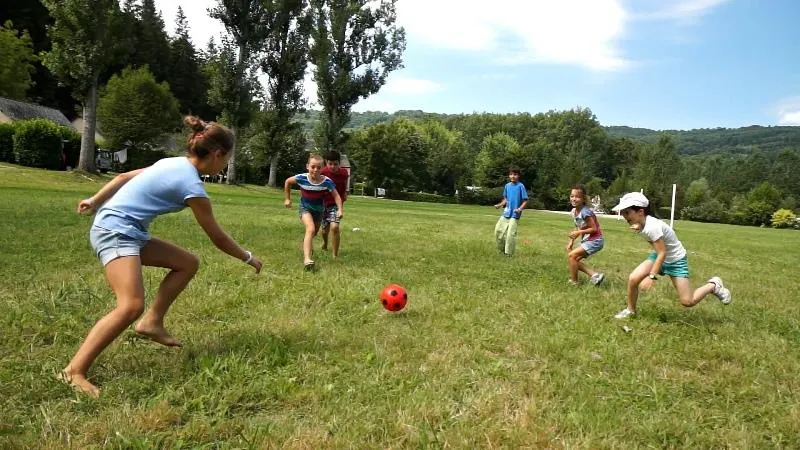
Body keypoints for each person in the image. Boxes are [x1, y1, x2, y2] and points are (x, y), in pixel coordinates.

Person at [62, 116, 263, 397]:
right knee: (130, 306)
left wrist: (95, 200)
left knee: (187, 263)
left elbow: (122, 177)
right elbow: (217, 237)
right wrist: (248, 257)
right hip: (115, 231)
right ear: (218, 154)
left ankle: (152, 322)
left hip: (127, 230)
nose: (225, 165)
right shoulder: (192, 187)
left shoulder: (173, 162)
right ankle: (73, 371)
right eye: (227, 159)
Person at [611, 192, 731, 319]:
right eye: (623, 212)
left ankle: (713, 285)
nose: (624, 216)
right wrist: (640, 227)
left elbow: (662, 253)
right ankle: (630, 310)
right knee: (633, 279)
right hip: (659, 256)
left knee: (687, 301)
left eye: (627, 212)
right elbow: (659, 250)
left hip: (675, 260)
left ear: (641, 211)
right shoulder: (643, 223)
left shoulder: (652, 227)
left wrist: (651, 276)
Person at [284, 154, 343, 270]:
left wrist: (340, 209)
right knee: (310, 229)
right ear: (307, 166)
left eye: (319, 167)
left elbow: (336, 196)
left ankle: (308, 248)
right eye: (313, 167)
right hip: (305, 208)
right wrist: (287, 199)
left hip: (319, 211)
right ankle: (307, 259)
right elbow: (288, 182)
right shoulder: (302, 178)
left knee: (313, 233)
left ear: (322, 168)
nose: (315, 170)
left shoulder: (326, 182)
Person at [566, 185, 605, 285]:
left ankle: (574, 282)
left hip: (595, 240)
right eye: (572, 196)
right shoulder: (574, 211)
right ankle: (595, 276)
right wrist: (571, 241)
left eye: (577, 197)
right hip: (589, 240)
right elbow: (578, 227)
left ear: (583, 199)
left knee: (572, 256)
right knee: (573, 260)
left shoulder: (585, 212)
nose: (574, 199)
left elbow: (594, 229)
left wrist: (579, 232)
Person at [320, 150, 349, 258]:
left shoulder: (344, 173)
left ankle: (334, 256)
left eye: (335, 164)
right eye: (330, 164)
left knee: (335, 227)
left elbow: (345, 183)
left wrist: (345, 192)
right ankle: (325, 243)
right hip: (323, 203)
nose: (333, 166)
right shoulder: (322, 172)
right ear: (326, 163)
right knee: (324, 230)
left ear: (339, 163)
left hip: (336, 203)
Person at [493, 167, 528, 256]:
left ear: (518, 176)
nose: (513, 176)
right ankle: (502, 250)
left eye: (515, 174)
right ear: (509, 176)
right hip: (506, 212)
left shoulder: (521, 186)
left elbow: (525, 201)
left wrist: (519, 209)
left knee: (510, 234)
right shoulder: (507, 186)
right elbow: (506, 199)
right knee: (498, 231)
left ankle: (508, 253)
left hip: (515, 214)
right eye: (511, 174)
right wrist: (500, 205)